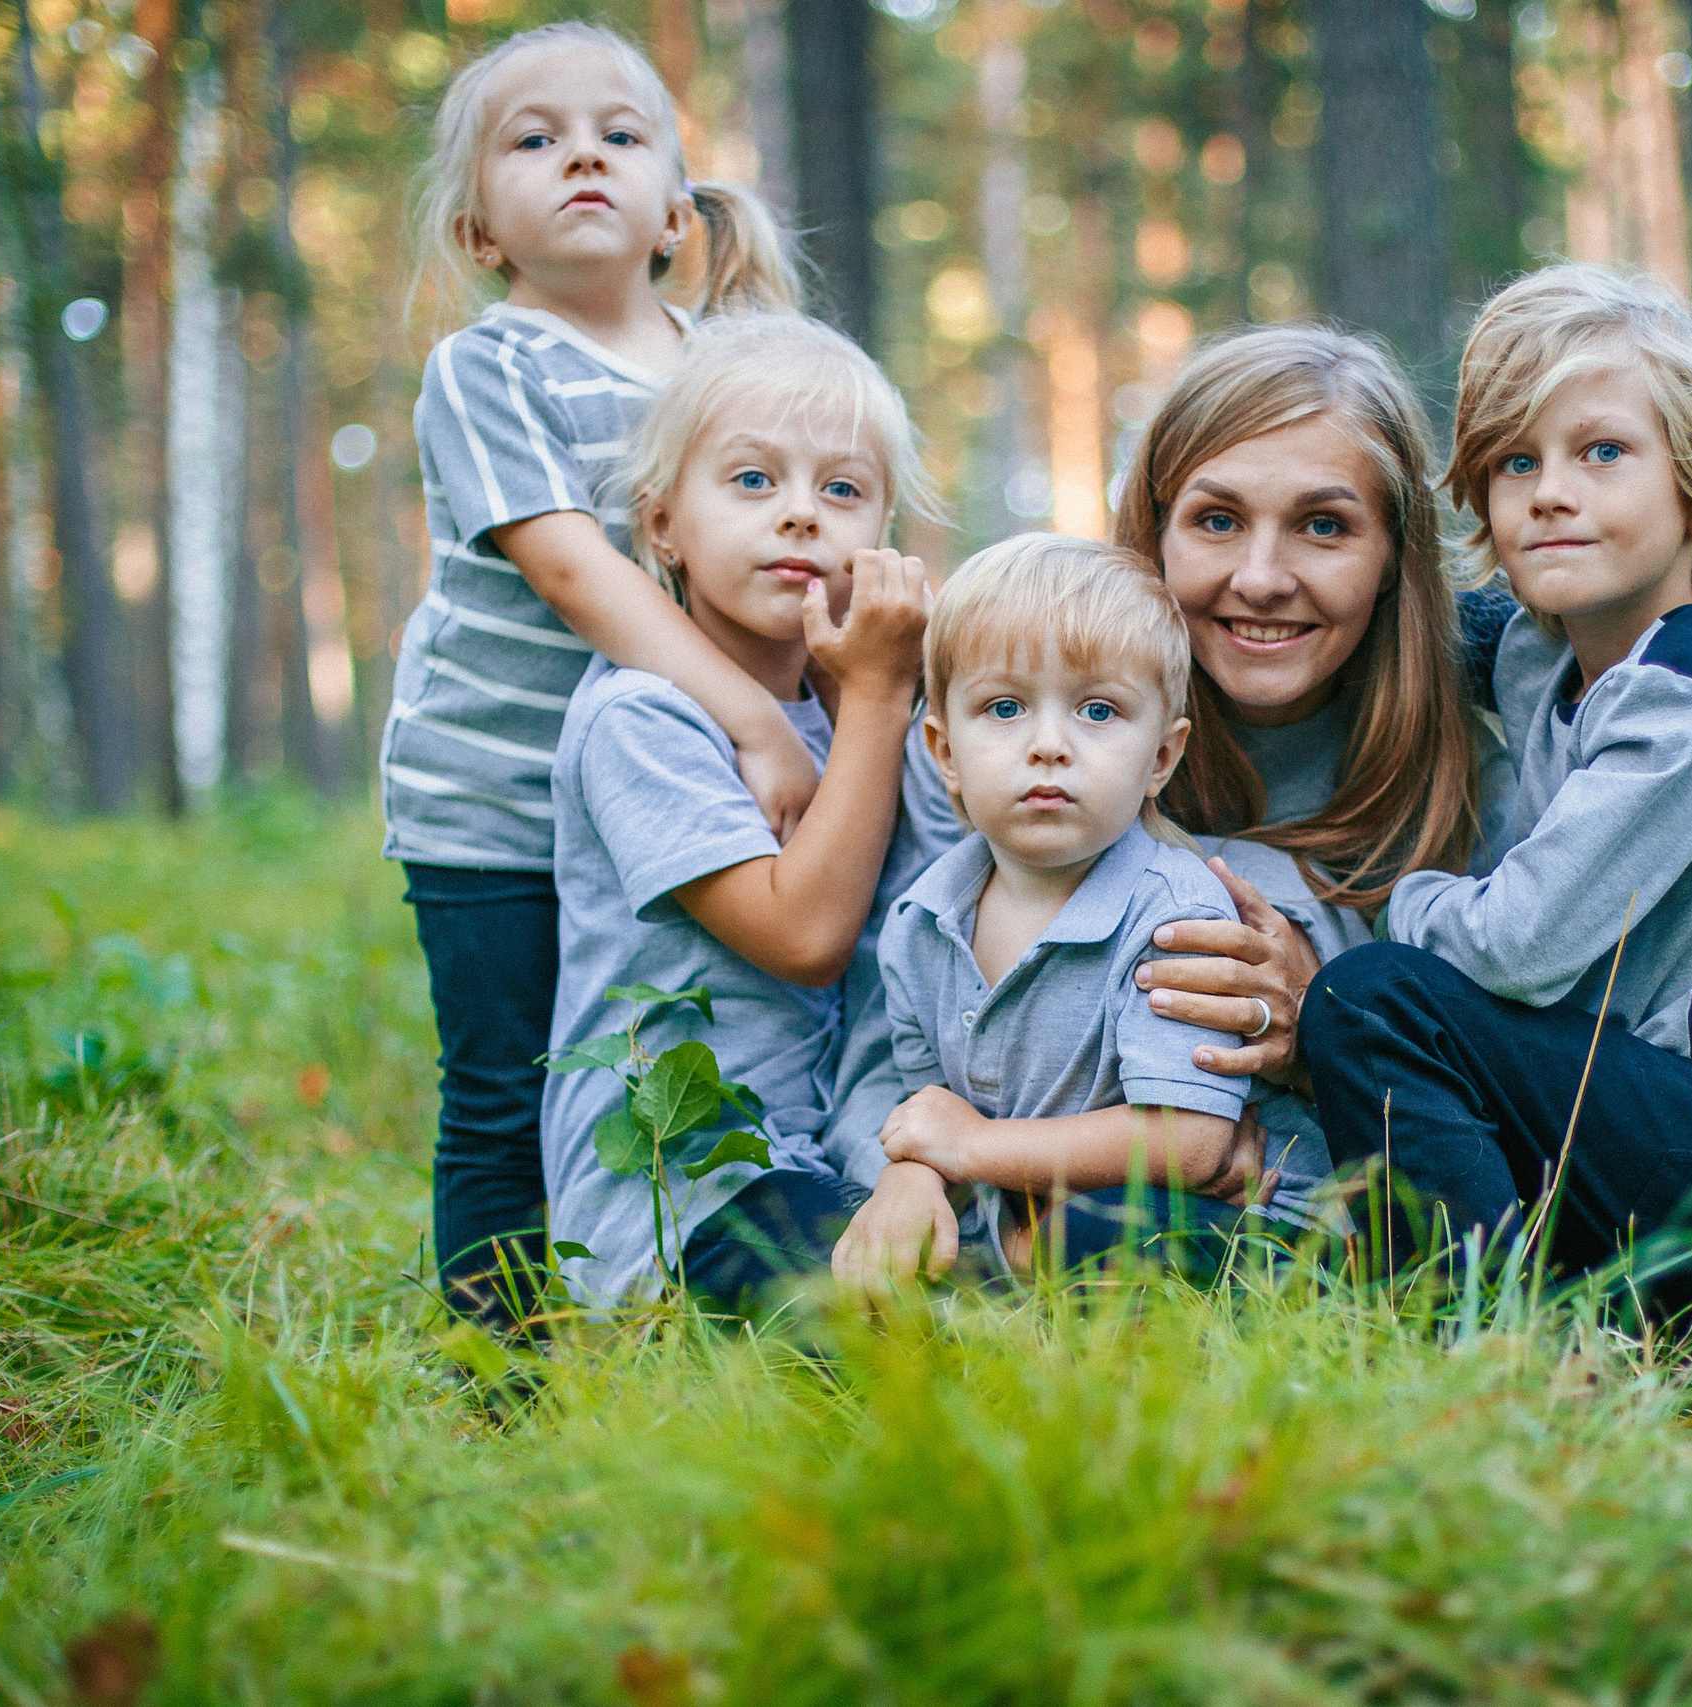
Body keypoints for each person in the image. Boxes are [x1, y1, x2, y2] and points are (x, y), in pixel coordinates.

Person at [1301, 264, 1692, 1295]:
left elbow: (1517, 945)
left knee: (1373, 999)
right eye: (1512, 462)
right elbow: (1400, 621)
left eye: (1602, 453)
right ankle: (1533, 1299)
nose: (1549, 493)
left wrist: (1385, 906)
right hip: (1673, 1126)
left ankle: (1483, 1334)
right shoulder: (1551, 652)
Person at [383, 22, 824, 1328]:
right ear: (478, 232)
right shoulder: (486, 367)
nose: (583, 152)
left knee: (658, 1055)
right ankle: (505, 1370)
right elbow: (577, 570)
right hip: (500, 803)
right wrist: (754, 718)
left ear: (673, 211)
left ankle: (658, 1286)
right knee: (506, 1083)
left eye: (619, 135)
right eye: (535, 139)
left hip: (670, 790)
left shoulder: (726, 369)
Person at [1028, 327, 1518, 1255]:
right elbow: (906, 1021)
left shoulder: (1474, 790)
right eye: (1217, 520)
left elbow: (1533, 1102)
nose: (1260, 579)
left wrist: (1322, 1035)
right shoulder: (1029, 744)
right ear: (1154, 535)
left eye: (1324, 525)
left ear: (1392, 560)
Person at [544, 313, 946, 1313]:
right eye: (753, 480)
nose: (802, 515)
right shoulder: (639, 717)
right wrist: (882, 702)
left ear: (883, 536)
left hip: (843, 1161)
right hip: (684, 1203)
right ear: (663, 524)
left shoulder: (865, 711)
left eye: (843, 489)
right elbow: (805, 935)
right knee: (865, 1329)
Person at [831, 536, 1265, 1286]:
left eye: (1098, 709)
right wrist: (914, 1176)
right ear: (945, 752)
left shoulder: (1173, 911)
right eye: (1005, 707)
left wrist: (969, 1150)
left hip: (1157, 1224)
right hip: (1002, 1230)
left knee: (1100, 1235)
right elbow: (928, 1107)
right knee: (804, 1249)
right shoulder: (924, 919)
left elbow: (1191, 1141)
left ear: (1162, 756)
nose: (1049, 745)